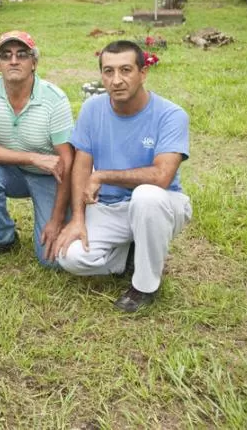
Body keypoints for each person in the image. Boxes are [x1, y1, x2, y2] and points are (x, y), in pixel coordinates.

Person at [53, 40, 191, 313]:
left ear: (143, 73)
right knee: (69, 257)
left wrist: (103, 175)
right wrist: (77, 219)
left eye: (126, 70)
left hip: (162, 205)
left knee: (146, 197)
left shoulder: (171, 115)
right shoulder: (93, 109)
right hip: (109, 208)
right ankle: (130, 254)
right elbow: (82, 165)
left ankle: (145, 285)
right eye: (108, 71)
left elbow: (162, 176)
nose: (116, 80)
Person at [0, 31, 74, 266]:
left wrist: (56, 220)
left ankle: (68, 218)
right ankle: (2, 237)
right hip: (14, 170)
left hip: (52, 177)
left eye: (22, 55)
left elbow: (67, 162)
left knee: (52, 261)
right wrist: (33, 158)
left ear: (34, 63)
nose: (13, 61)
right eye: (6, 56)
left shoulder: (54, 99)